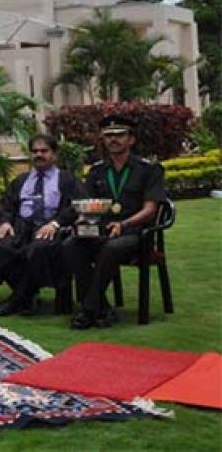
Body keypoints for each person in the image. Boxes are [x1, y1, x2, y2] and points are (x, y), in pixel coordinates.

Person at [63, 115, 167, 329]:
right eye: (108, 135)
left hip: (135, 233)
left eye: (120, 135)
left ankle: (88, 309)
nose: (113, 139)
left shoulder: (149, 169)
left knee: (112, 247)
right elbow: (89, 205)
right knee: (71, 244)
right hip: (102, 230)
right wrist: (82, 220)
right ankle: (101, 307)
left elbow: (150, 210)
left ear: (131, 139)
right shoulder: (97, 170)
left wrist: (124, 224)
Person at [0, 134, 81, 316]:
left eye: (44, 151)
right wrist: (5, 222)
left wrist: (55, 223)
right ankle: (26, 294)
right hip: (22, 228)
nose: (39, 155)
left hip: (52, 229)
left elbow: (77, 205)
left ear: (54, 154)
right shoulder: (21, 180)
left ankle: (18, 298)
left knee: (37, 249)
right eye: (34, 151)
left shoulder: (66, 179)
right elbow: (4, 205)